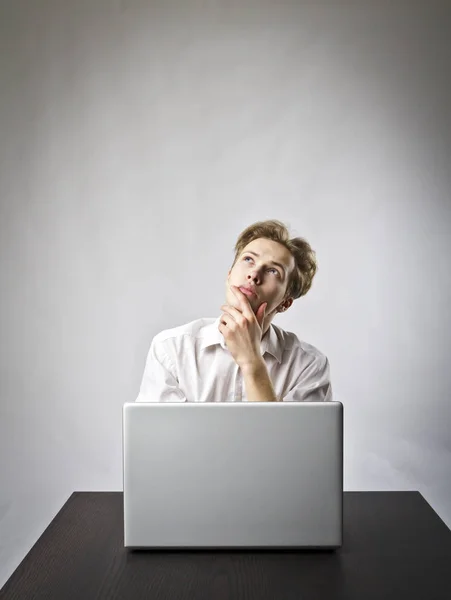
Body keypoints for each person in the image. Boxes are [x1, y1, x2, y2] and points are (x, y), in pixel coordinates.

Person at [136, 219, 332, 403]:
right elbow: (158, 437)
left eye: (273, 271)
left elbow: (288, 441)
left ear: (285, 303)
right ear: (229, 275)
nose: (254, 274)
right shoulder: (172, 349)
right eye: (248, 259)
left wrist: (252, 362)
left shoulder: (308, 366)